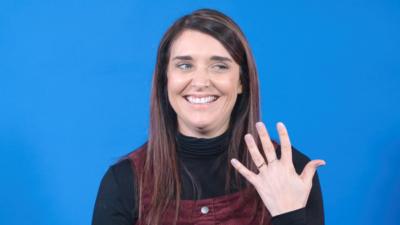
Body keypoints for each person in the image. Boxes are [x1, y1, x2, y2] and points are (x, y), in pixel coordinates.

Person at [92, 8, 325, 225]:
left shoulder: (291, 171)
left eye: (219, 66)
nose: (201, 82)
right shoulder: (124, 182)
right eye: (184, 65)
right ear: (166, 80)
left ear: (241, 81)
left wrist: (288, 216)